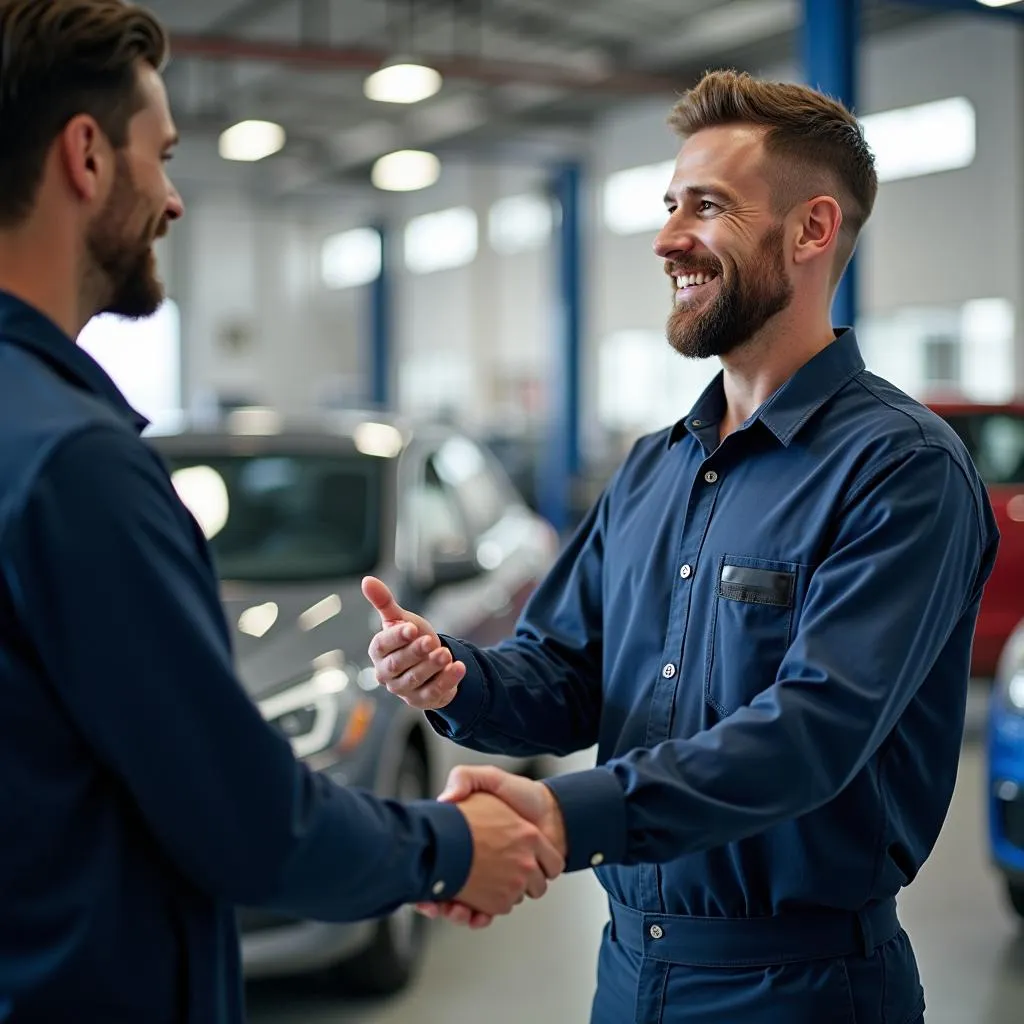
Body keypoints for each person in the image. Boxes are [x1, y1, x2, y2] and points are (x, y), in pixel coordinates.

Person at [364, 69, 1000, 1024]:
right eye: (668, 206)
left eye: (706, 207)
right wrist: (460, 680)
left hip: (803, 987)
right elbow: (569, 674)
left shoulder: (902, 471)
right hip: (630, 970)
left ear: (812, 231)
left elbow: (811, 734)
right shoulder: (654, 470)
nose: (667, 239)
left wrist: (557, 816)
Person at [0, 2, 563, 1021]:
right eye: (161, 156)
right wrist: (452, 849)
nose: (172, 200)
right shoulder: (75, 464)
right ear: (85, 156)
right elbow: (246, 821)